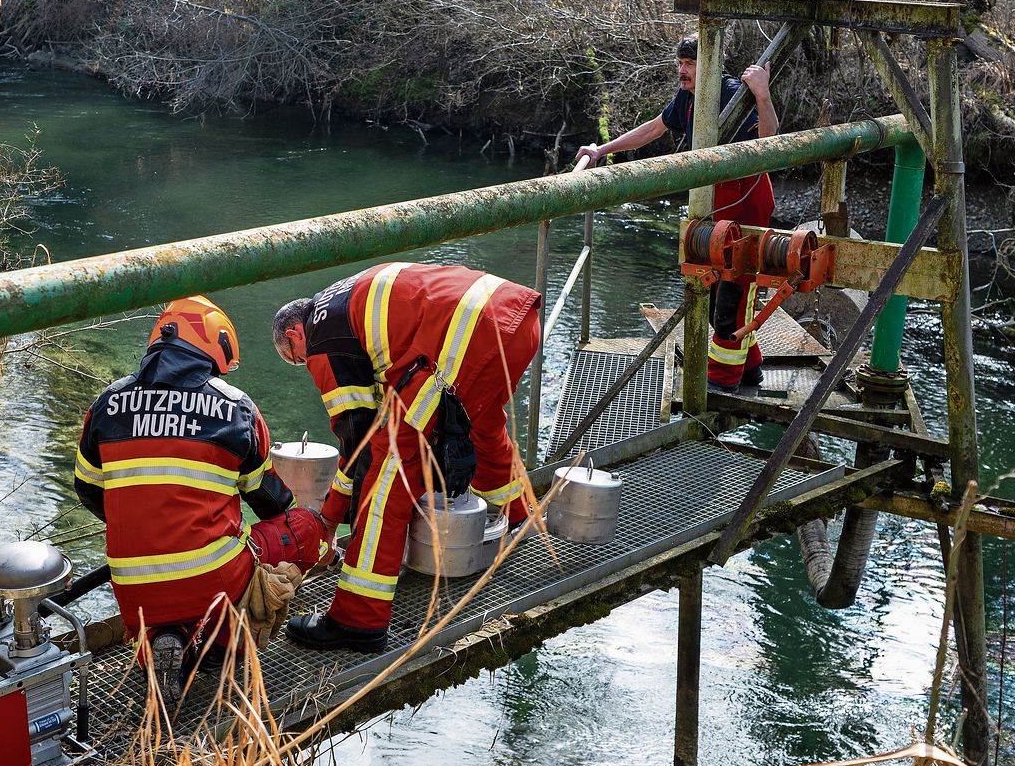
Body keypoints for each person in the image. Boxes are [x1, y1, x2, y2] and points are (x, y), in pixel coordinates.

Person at [272, 263, 543, 652]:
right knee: (480, 426)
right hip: (515, 318)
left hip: (468, 335)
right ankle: (519, 520)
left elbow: (358, 442)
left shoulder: (320, 339)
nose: (305, 365)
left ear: (296, 333)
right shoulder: (344, 301)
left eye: (296, 357)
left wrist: (329, 517)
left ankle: (357, 618)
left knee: (389, 474)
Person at [74, 296, 326, 704]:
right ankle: (226, 644)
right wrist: (307, 523)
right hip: (213, 579)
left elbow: (87, 488)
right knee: (299, 529)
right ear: (217, 345)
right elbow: (267, 499)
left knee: (159, 601)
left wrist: (143, 523)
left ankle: (162, 637)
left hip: (131, 583)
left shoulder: (107, 403)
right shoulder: (235, 407)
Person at [574, 37, 781, 389]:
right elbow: (653, 129)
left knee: (735, 286)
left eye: (689, 63)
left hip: (746, 199)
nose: (681, 70)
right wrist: (601, 150)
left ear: (710, 65)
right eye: (680, 62)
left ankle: (722, 380)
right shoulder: (687, 99)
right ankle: (750, 368)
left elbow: (769, 140)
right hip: (715, 199)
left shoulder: (733, 93)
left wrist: (762, 94)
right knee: (718, 286)